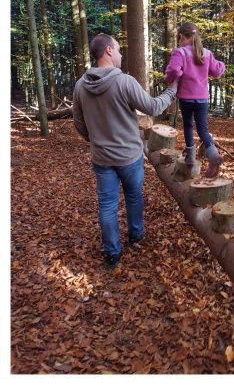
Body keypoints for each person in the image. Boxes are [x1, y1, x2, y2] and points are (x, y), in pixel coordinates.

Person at [73, 33, 179, 268]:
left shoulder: (81, 85)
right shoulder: (124, 82)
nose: (121, 55)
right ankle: (136, 236)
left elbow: (79, 123)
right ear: (109, 51)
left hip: (101, 159)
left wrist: (95, 140)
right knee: (133, 197)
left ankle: (112, 253)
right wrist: (172, 89)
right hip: (129, 157)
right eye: (119, 50)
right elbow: (152, 106)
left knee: (107, 205)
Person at [164, 22, 226, 178]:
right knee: (203, 130)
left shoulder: (180, 53)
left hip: (186, 97)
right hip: (202, 98)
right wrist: (223, 64)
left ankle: (190, 156)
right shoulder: (206, 53)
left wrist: (172, 78)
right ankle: (213, 156)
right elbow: (217, 71)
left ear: (182, 36)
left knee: (188, 125)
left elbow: (172, 70)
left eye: (179, 38)